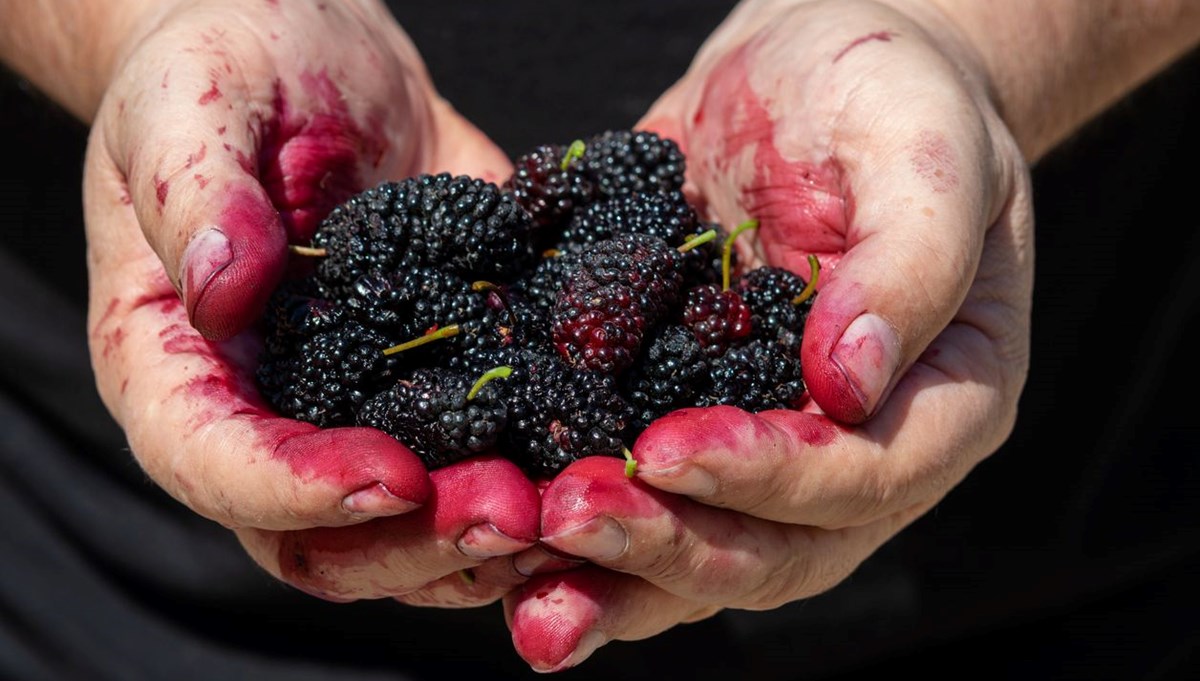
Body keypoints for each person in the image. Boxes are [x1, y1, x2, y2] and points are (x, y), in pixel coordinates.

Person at [1, 0, 1198, 678]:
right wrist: (149, 23)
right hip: (144, 609)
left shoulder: (633, 274)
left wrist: (960, 38)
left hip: (1045, 579)